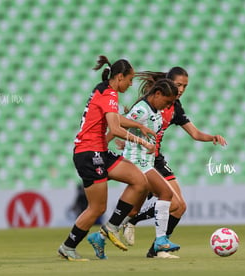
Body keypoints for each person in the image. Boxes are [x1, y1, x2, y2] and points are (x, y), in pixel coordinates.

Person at [119, 67, 227, 258]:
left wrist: (212, 137)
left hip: (157, 159)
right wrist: (126, 142)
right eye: (179, 85)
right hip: (143, 159)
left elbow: (194, 133)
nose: (182, 89)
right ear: (167, 83)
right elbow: (127, 123)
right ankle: (124, 226)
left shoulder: (175, 106)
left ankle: (157, 248)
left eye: (185, 86)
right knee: (167, 201)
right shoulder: (152, 101)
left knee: (180, 206)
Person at [57, 55, 157, 261]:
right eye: (129, 80)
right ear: (119, 77)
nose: (130, 85)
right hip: (88, 153)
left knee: (140, 181)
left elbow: (114, 118)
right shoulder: (109, 94)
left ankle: (111, 228)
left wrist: (139, 126)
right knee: (97, 208)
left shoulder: (103, 89)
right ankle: (68, 247)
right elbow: (115, 128)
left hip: (99, 151)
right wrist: (142, 141)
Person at [87, 78, 181, 259]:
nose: (167, 106)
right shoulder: (142, 109)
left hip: (146, 161)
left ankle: (99, 237)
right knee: (166, 194)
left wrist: (131, 141)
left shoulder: (155, 111)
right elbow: (117, 123)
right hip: (137, 162)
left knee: (133, 210)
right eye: (167, 101)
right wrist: (101, 147)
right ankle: (161, 240)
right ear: (158, 94)